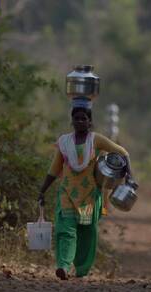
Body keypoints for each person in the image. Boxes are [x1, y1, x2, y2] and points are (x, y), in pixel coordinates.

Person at [38, 100, 133, 280]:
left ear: (90, 122)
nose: (80, 122)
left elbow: (123, 152)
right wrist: (42, 190)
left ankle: (81, 270)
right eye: (77, 118)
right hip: (67, 194)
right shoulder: (64, 142)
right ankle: (64, 266)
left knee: (86, 233)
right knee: (65, 230)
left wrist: (130, 176)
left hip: (89, 196)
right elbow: (54, 169)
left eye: (84, 119)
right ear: (72, 121)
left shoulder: (96, 140)